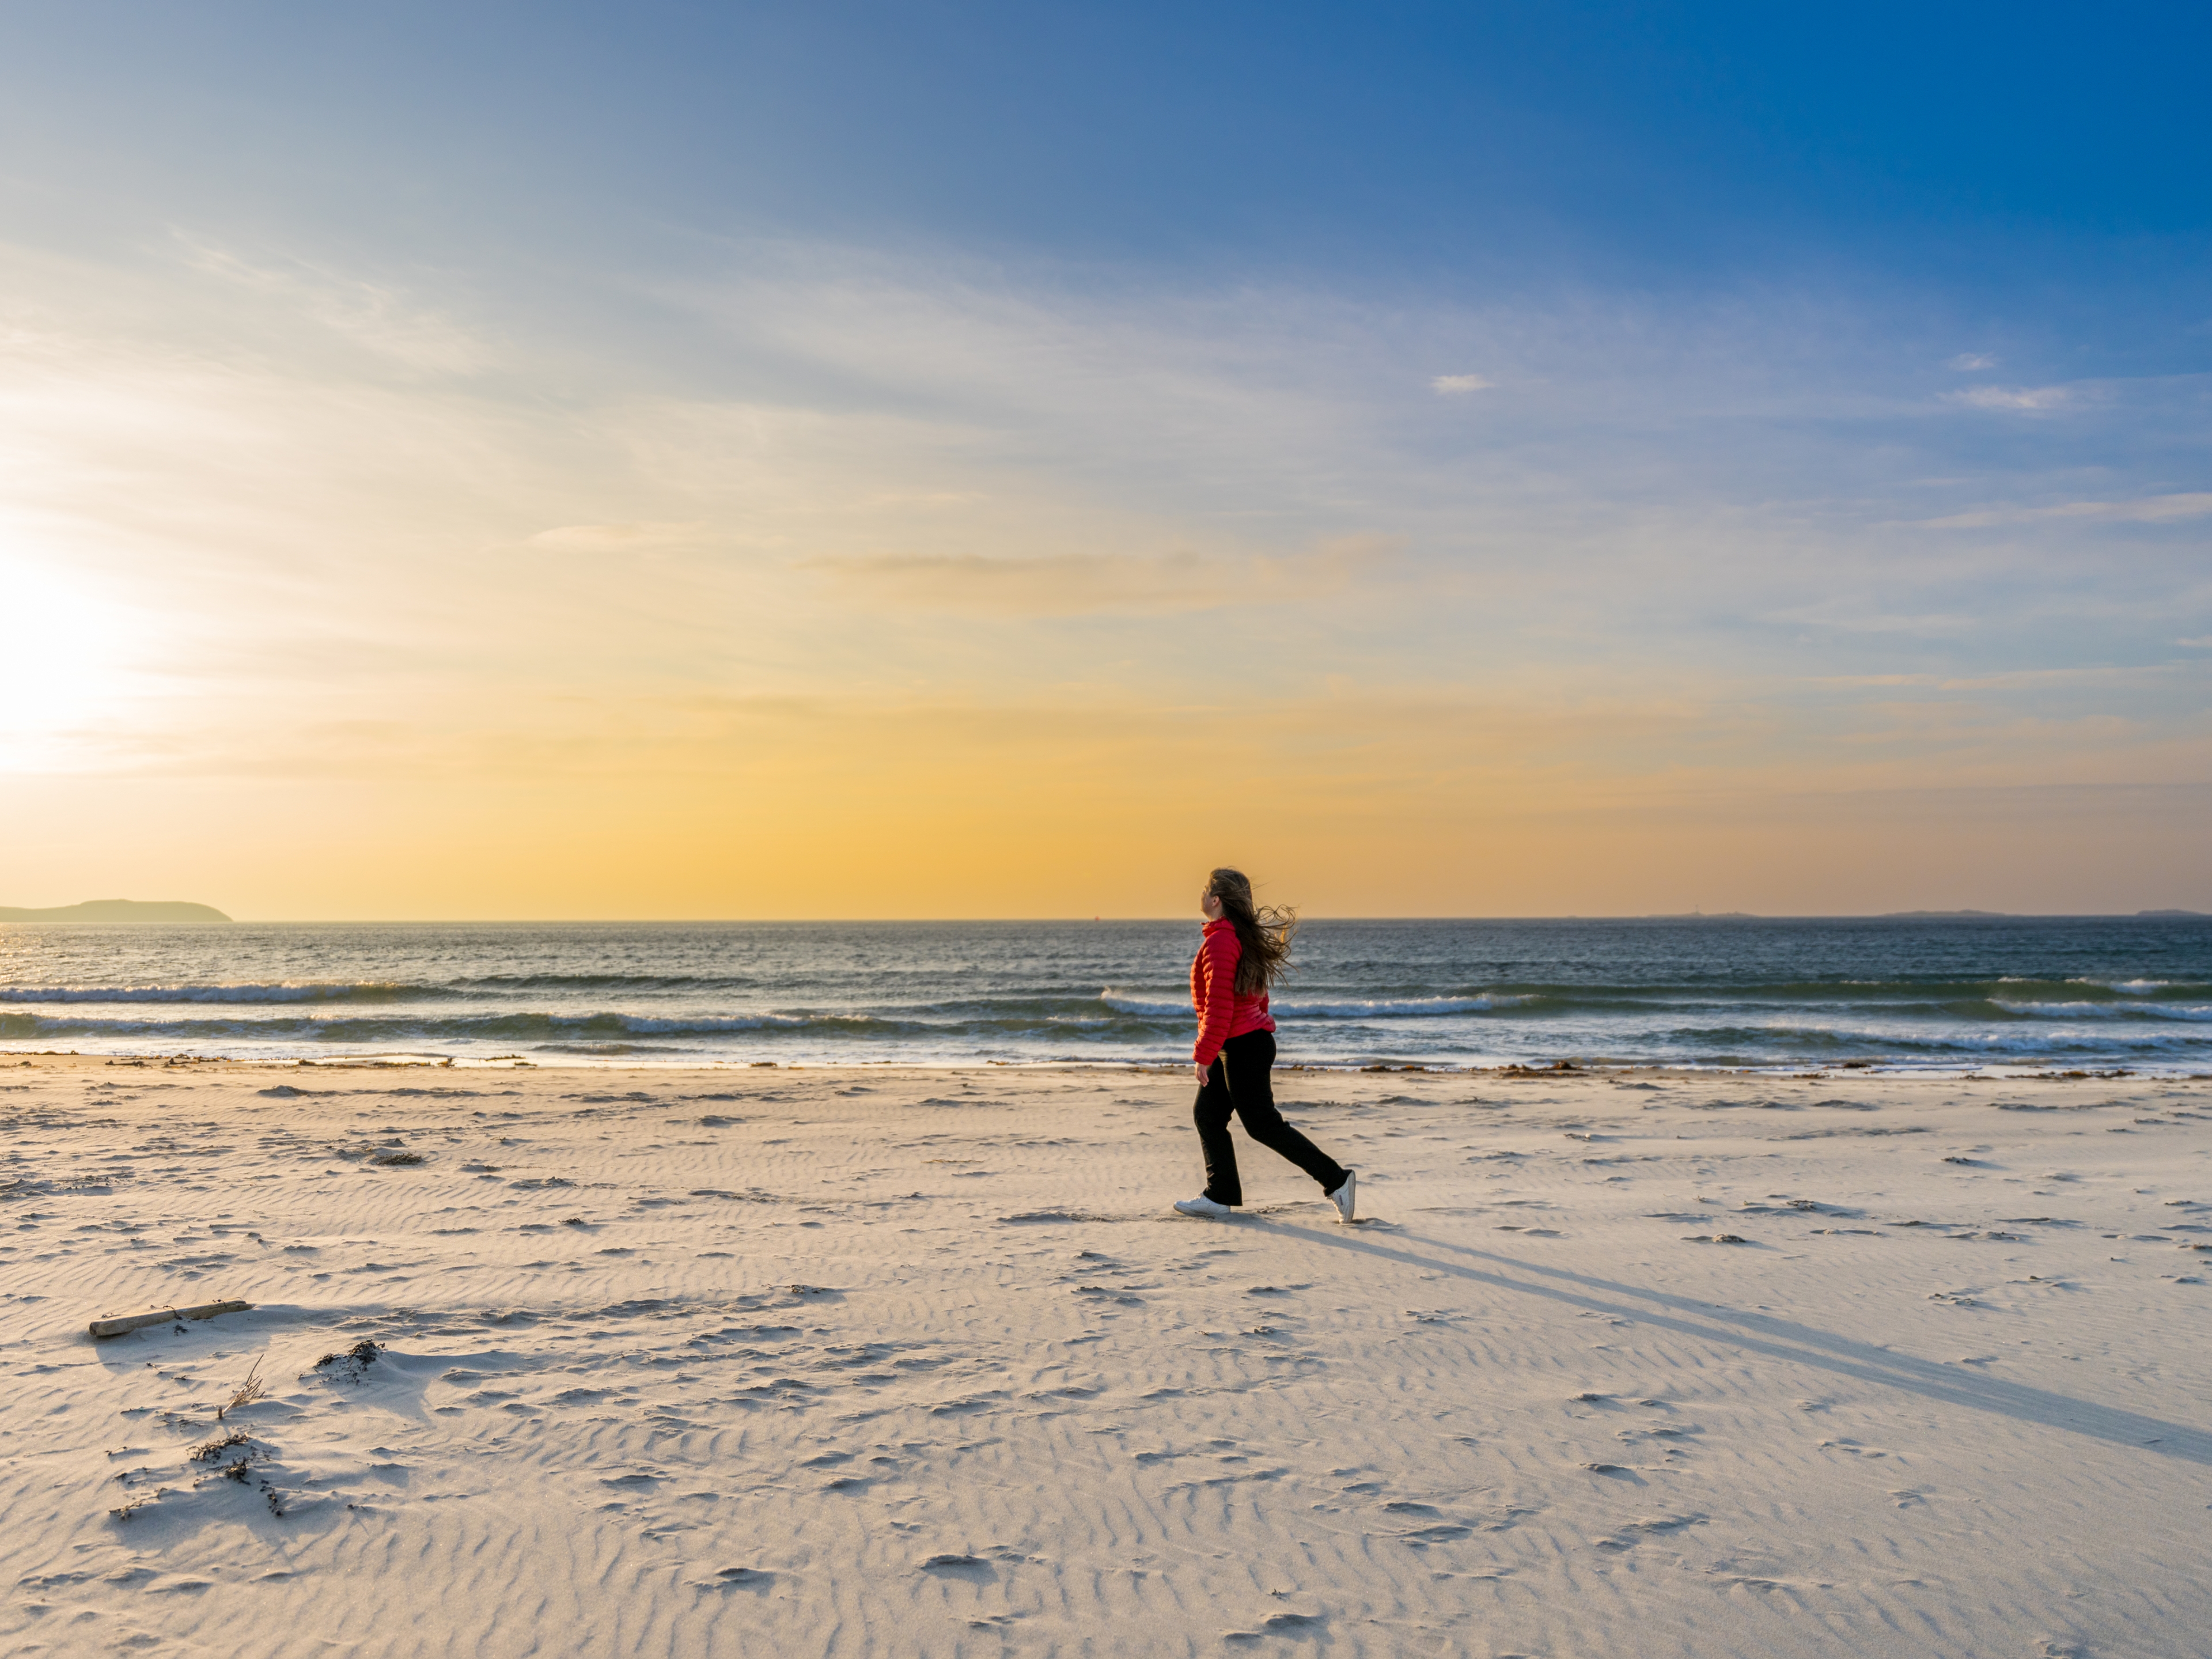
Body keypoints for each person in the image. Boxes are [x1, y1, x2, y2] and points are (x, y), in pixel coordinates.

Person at [1173, 868, 1357, 1224]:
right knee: (1208, 1115)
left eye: (1205, 890)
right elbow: (1258, 998)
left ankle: (1337, 1180)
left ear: (1216, 900)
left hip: (1242, 1046)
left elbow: (1219, 1006)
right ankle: (1220, 1194)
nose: (1200, 894)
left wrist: (1203, 1055)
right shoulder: (1233, 936)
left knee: (1262, 1125)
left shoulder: (1222, 941)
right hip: (1242, 1043)